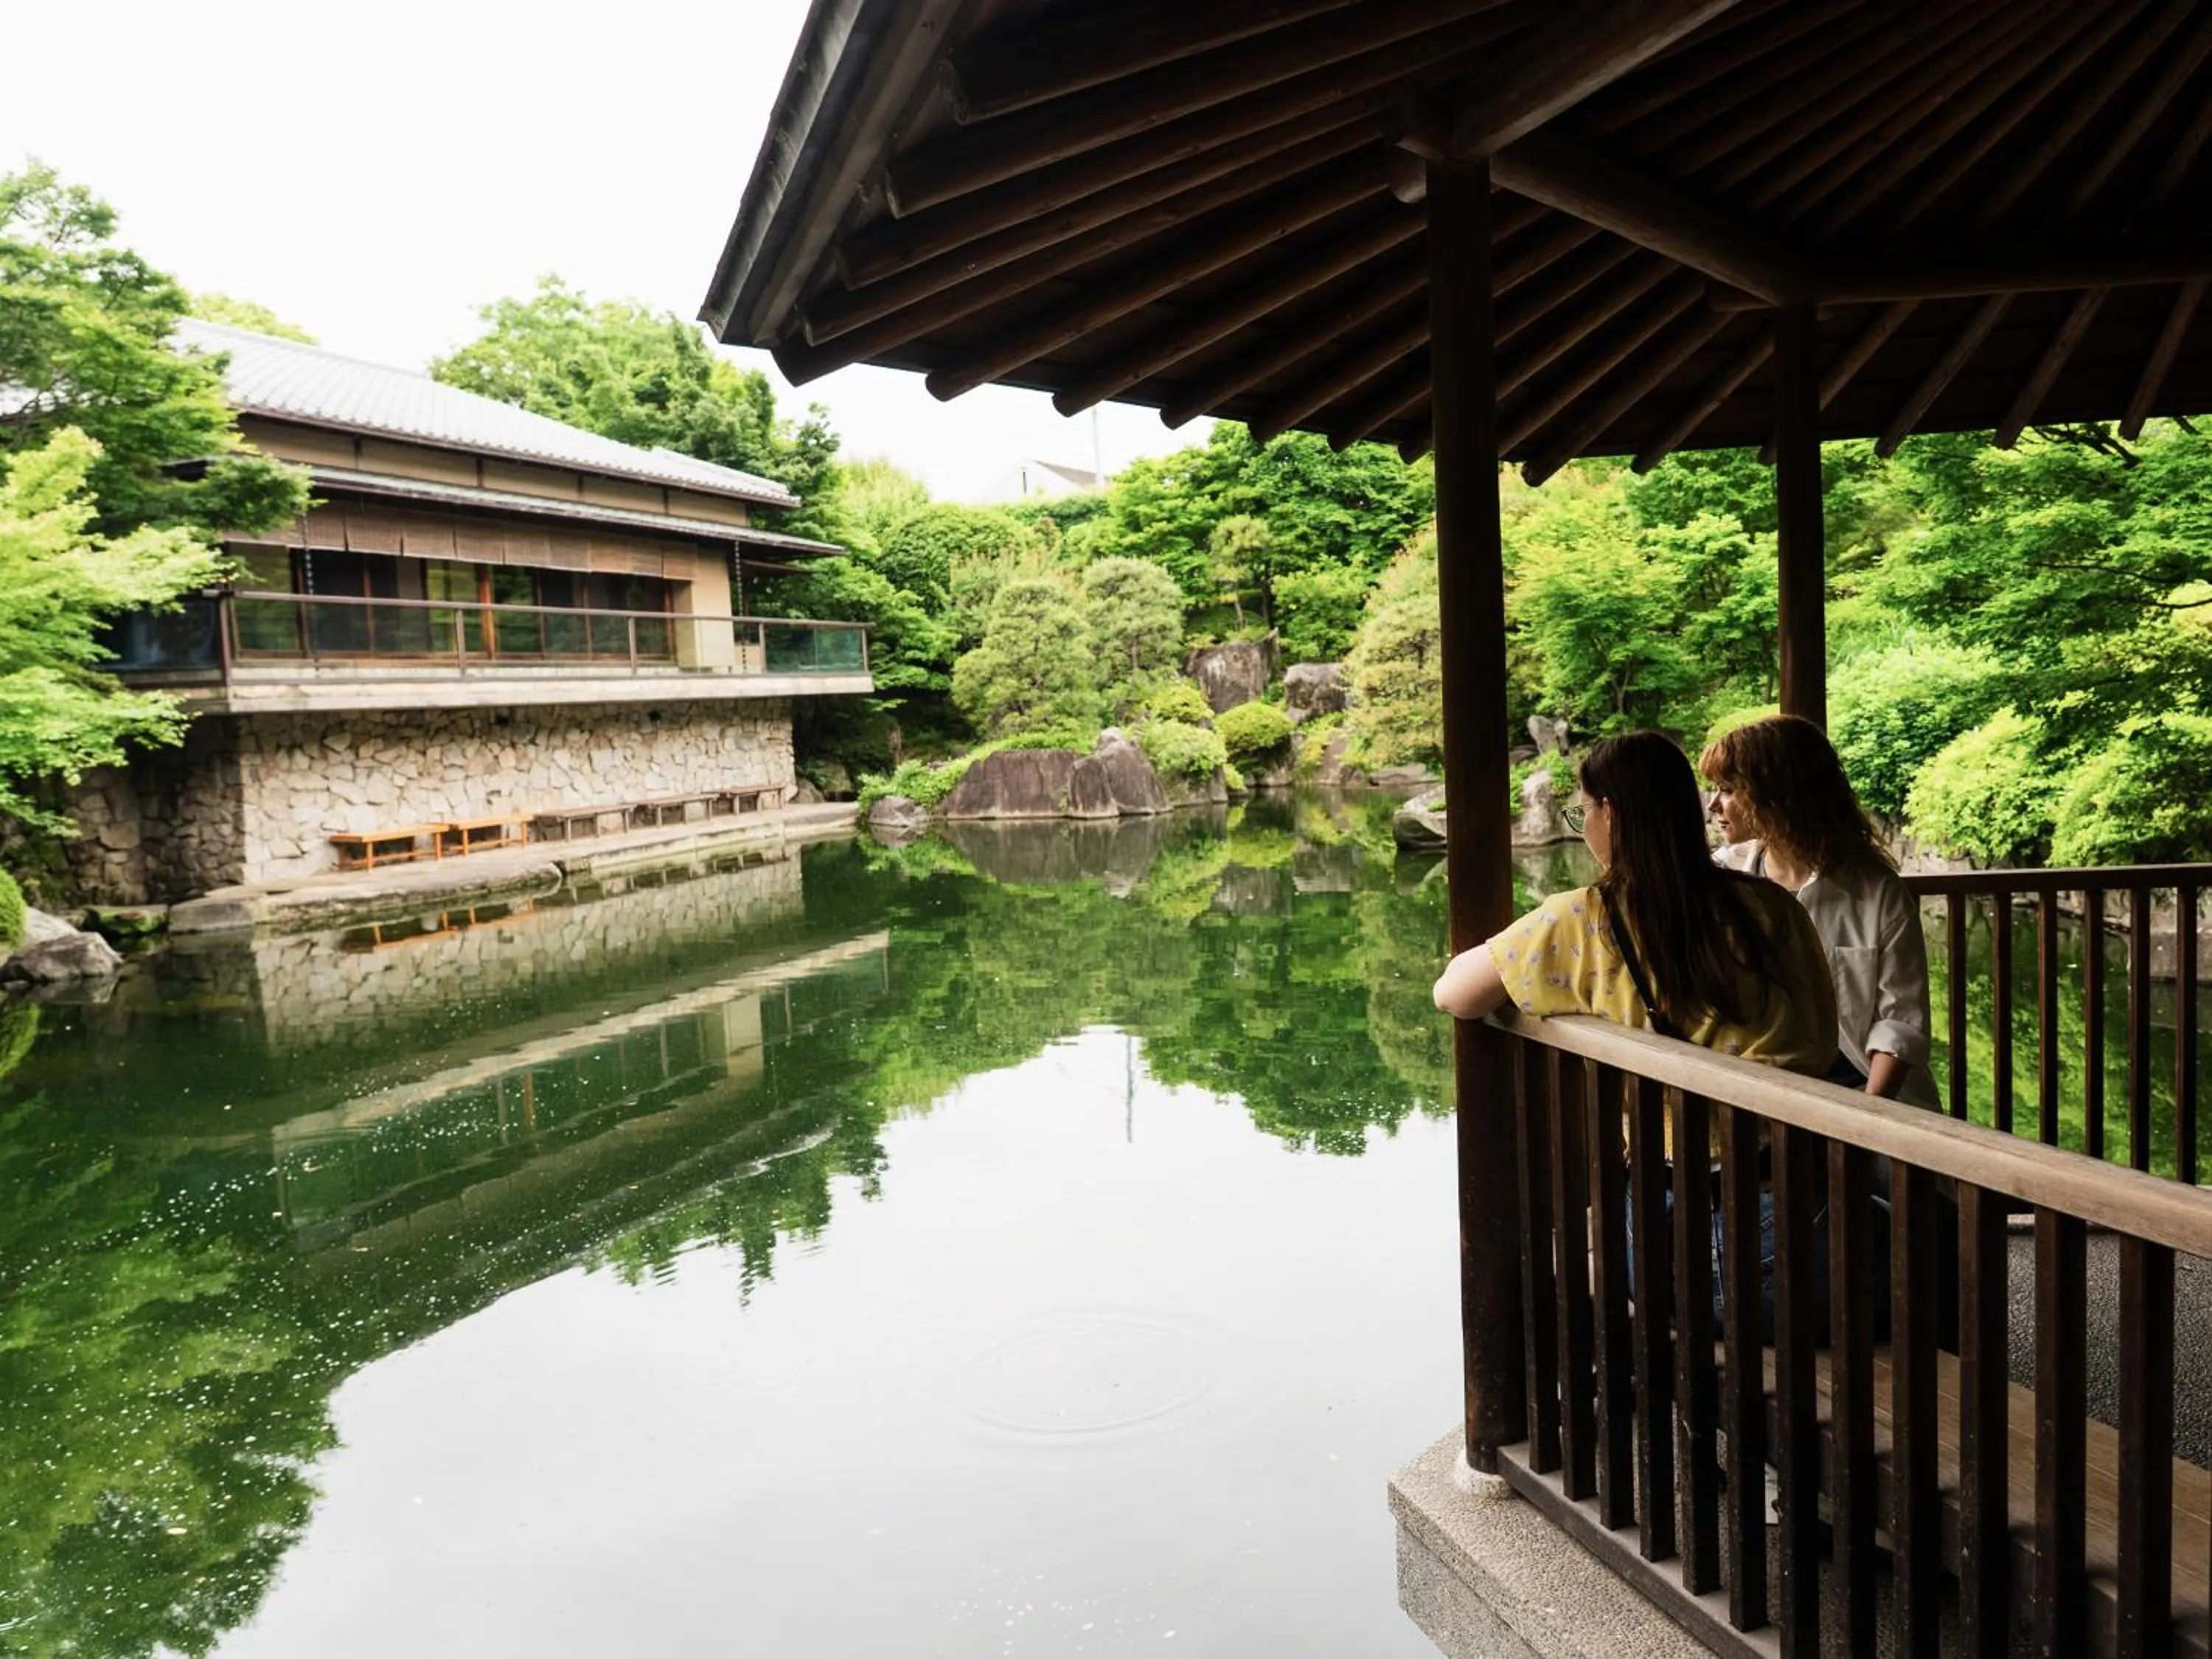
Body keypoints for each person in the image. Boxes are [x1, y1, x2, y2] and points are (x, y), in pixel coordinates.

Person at [1432, 730, 1837, 1080]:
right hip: (1791, 1149)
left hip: (1673, 1159)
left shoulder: (1587, 915)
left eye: (1583, 812)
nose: (1583, 826)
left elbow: (1455, 993)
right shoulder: (1770, 904)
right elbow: (1820, 1024)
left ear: (1609, 813)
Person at [1700, 714, 1937, 1108]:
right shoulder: (1723, 878)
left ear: (1774, 794)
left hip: (1863, 1090)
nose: (1713, 805)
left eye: (1727, 790)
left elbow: (1900, 1022)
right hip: (1759, 1091)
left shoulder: (1876, 893)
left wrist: (1865, 1120)